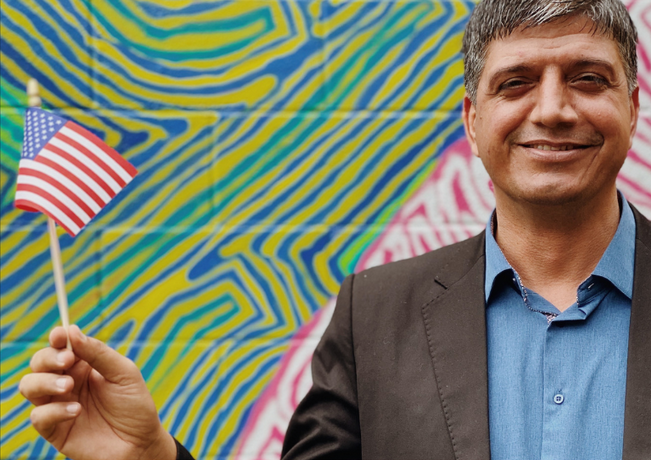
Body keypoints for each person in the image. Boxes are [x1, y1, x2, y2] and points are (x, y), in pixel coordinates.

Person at [19, 0, 650, 459]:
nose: (552, 109)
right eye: (515, 83)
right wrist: (150, 454)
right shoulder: (374, 315)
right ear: (472, 120)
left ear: (631, 106)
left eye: (587, 78)